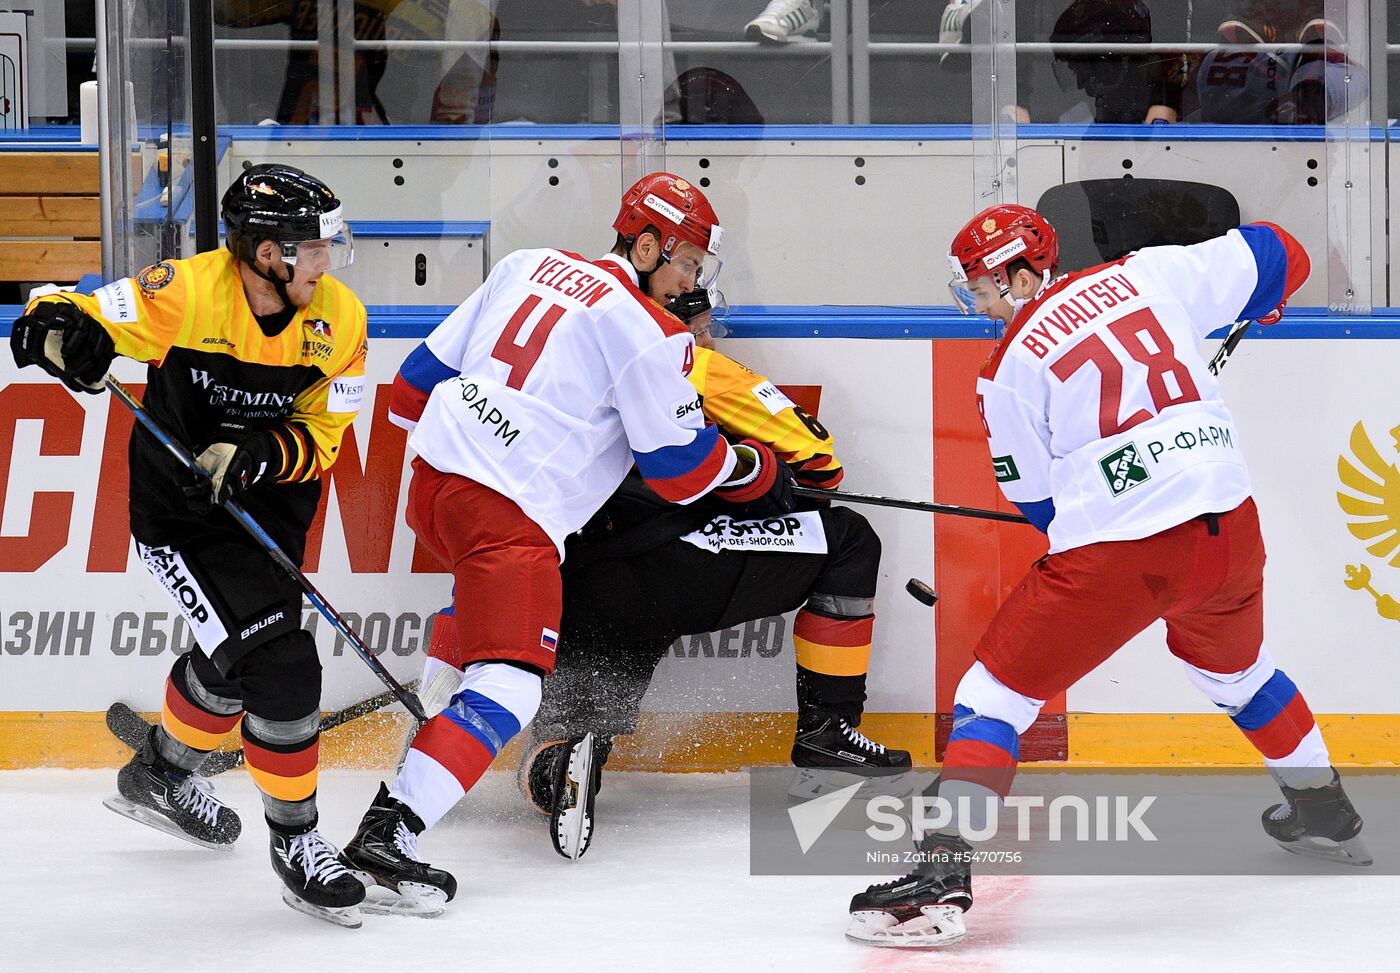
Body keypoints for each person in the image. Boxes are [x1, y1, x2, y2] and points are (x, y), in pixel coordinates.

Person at [845, 204, 1370, 948]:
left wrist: (1100, 511)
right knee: (1239, 671)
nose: (984, 306)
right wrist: (1266, 299)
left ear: (1025, 274)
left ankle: (938, 878)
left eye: (986, 288)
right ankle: (1322, 807)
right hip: (1230, 528)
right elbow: (1285, 250)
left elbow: (1041, 504)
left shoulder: (1009, 369)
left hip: (1124, 555)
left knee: (992, 695)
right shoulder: (1152, 272)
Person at [335, 172, 795, 911]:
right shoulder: (651, 333)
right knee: (514, 685)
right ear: (644, 243)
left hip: (432, 482)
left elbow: (412, 389)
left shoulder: (525, 265)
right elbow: (680, 470)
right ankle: (393, 829)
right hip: (508, 517)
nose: (688, 280)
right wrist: (755, 468)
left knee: (473, 603)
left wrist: (473, 453)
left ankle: (427, 731)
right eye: (683, 261)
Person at [8, 164, 370, 927]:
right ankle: (297, 843)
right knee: (282, 661)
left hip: (266, 515)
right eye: (314, 248)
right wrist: (56, 330)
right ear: (269, 253)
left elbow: (327, 436)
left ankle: (163, 774)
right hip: (182, 518)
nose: (326, 262)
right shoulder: (188, 290)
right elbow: (69, 307)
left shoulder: (341, 319)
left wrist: (260, 455)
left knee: (240, 658)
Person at [498, 282, 908, 859]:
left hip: (577, 578)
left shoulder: (555, 366)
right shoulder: (696, 365)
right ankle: (826, 732)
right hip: (680, 563)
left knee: (594, 682)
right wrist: (759, 479)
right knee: (849, 539)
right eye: (705, 327)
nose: (710, 338)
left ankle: (554, 761)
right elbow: (821, 463)